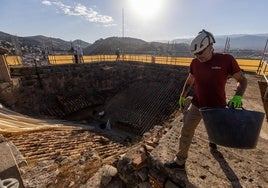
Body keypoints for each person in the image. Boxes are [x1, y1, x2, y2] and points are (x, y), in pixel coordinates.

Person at [165, 29, 247, 170]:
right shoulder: (195, 63)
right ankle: (180, 161)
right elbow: (190, 79)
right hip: (197, 104)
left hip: (217, 106)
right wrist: (182, 95)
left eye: (200, 53)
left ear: (210, 47)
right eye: (195, 54)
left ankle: (212, 140)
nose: (198, 57)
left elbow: (242, 80)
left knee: (214, 130)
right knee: (186, 130)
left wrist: (238, 95)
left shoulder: (226, 60)